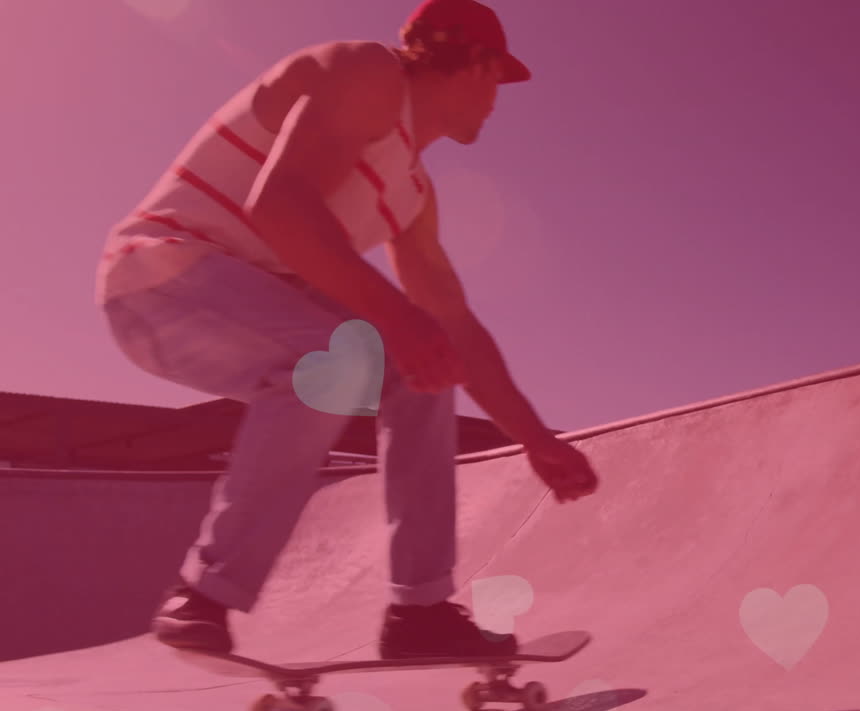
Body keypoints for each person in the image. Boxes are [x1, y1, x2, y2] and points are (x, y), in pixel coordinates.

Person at [94, 0, 600, 660]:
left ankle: (419, 610)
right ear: (477, 65)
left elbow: (454, 326)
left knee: (424, 367)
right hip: (160, 274)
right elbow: (280, 208)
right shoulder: (366, 72)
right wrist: (398, 318)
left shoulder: (413, 192)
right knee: (341, 357)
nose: (496, 101)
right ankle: (202, 594)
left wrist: (535, 438)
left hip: (248, 295)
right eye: (498, 80)